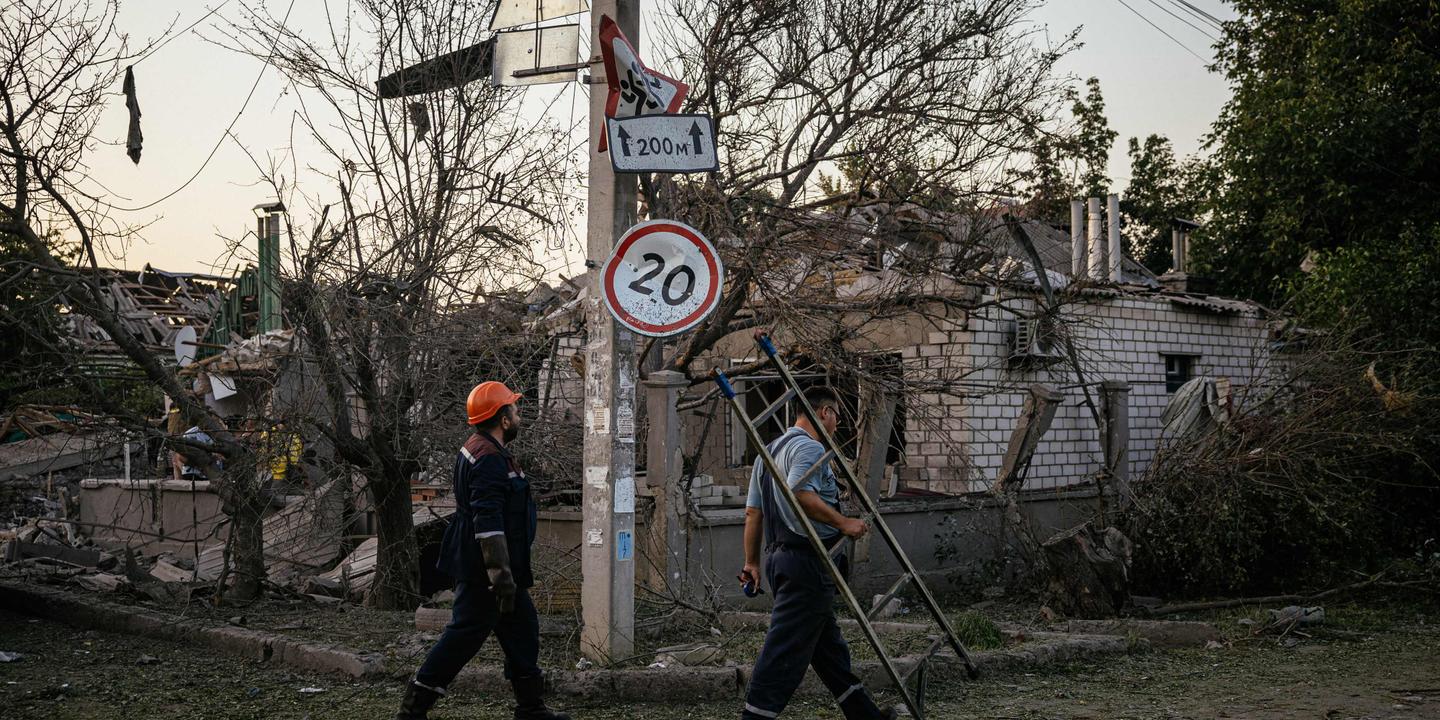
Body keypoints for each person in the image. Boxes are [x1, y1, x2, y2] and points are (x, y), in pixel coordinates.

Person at [395, 381, 569, 720]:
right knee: (463, 636)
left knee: (523, 629)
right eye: (515, 411)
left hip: (502, 567)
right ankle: (412, 710)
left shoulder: (481, 447)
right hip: (487, 569)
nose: (519, 416)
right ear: (503, 420)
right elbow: (487, 521)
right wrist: (500, 576)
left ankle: (531, 708)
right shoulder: (488, 458)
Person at [738, 386, 895, 720]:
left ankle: (866, 715)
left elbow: (753, 514)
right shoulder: (810, 448)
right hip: (806, 562)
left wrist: (751, 562)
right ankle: (754, 717)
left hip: (779, 560)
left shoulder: (767, 452)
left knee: (828, 651)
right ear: (824, 411)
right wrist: (844, 523)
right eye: (837, 414)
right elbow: (800, 492)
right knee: (784, 650)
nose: (837, 423)